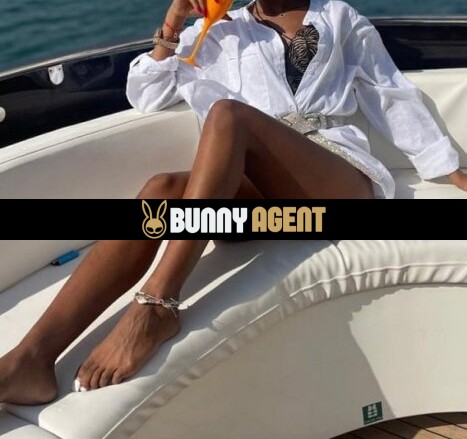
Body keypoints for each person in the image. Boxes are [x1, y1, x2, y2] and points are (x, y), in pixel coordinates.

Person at [0, 0, 466, 405]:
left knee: (228, 116)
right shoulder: (213, 32)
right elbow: (146, 95)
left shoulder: (338, 17)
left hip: (334, 186)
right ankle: (31, 358)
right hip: (271, 211)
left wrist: (450, 169)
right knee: (162, 189)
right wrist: (175, 21)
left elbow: (390, 93)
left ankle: (157, 304)